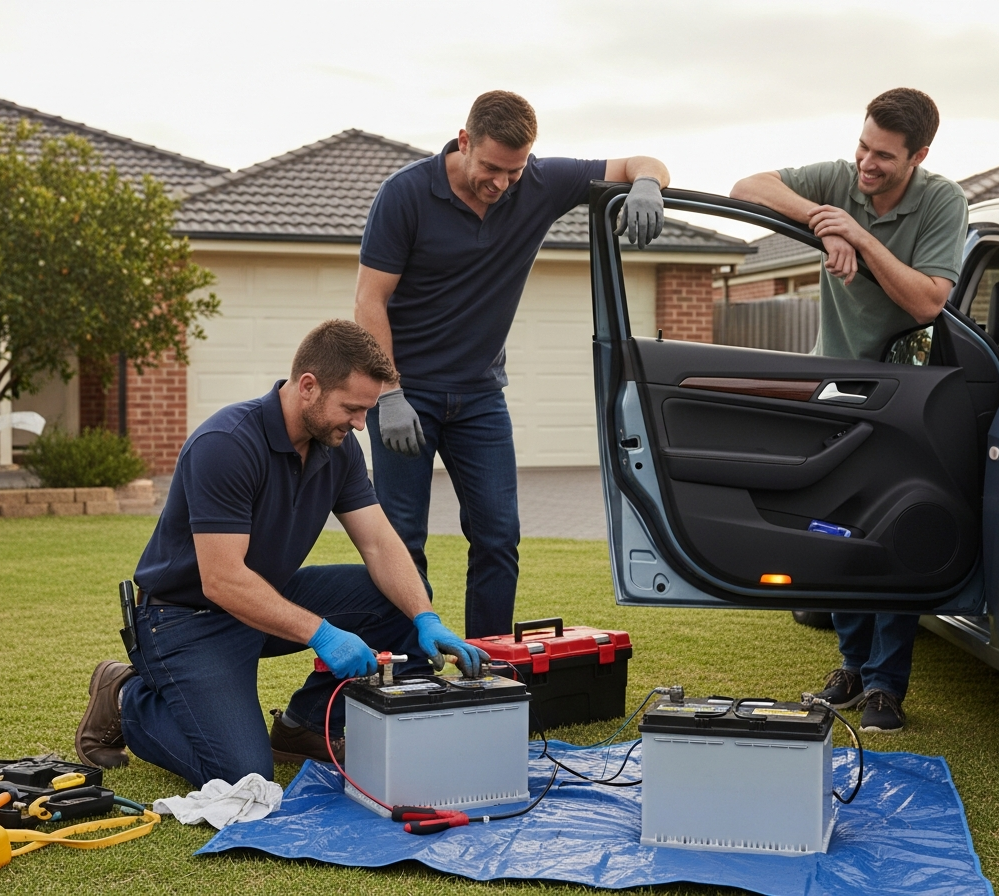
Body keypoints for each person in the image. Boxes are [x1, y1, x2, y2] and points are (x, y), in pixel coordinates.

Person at [75, 320, 486, 786]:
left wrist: (425, 618)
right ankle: (126, 695)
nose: (359, 423)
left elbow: (378, 542)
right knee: (242, 774)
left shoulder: (339, 447)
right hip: (184, 619)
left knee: (402, 597)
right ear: (308, 386)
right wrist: (322, 634)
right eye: (352, 408)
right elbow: (223, 580)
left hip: (262, 596)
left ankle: (305, 725)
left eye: (366, 411)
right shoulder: (226, 445)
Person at [355, 89, 670, 639]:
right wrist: (388, 392)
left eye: (514, 171)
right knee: (402, 537)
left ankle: (490, 663)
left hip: (479, 398)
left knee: (499, 536)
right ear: (463, 141)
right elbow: (369, 300)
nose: (501, 183)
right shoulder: (405, 194)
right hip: (408, 396)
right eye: (492, 168)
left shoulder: (541, 184)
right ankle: (406, 671)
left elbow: (643, 161)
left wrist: (646, 184)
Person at [730, 88, 968, 733]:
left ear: (918, 156)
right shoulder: (840, 179)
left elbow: (926, 302)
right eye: (863, 145)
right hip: (832, 388)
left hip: (908, 394)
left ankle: (887, 685)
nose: (866, 162)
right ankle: (854, 666)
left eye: (884, 156)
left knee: (892, 536)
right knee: (833, 531)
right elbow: (746, 186)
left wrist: (859, 238)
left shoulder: (943, 201)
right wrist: (824, 218)